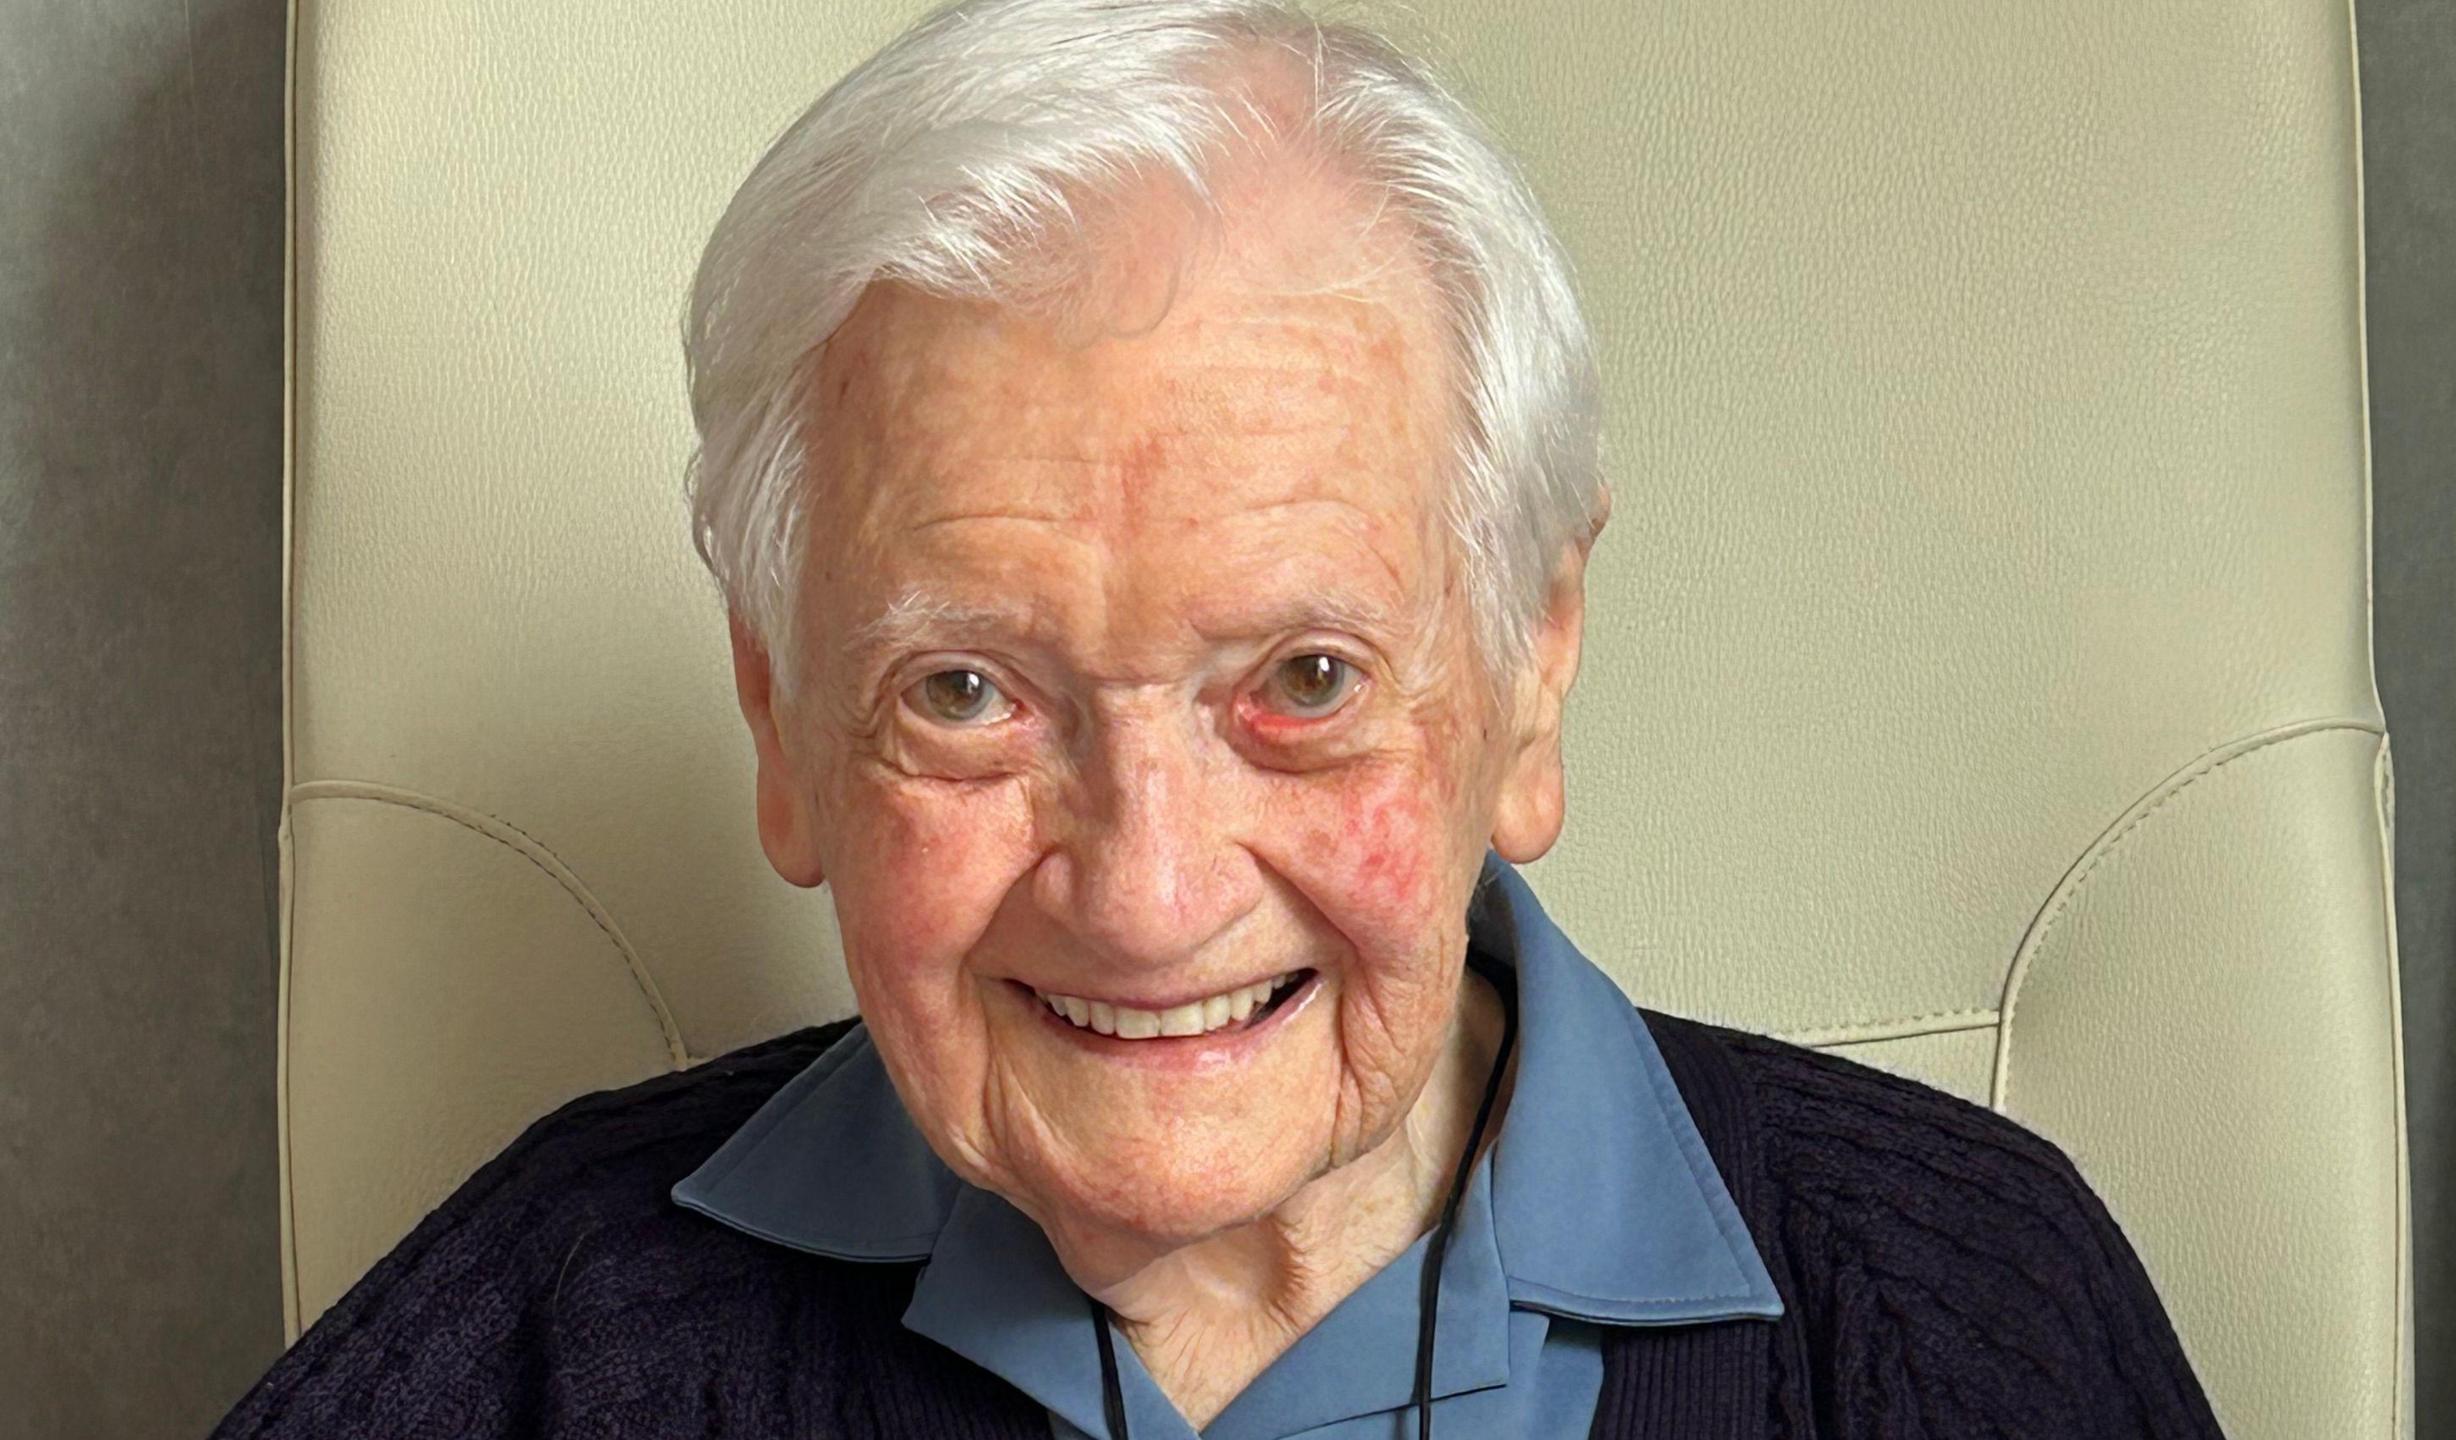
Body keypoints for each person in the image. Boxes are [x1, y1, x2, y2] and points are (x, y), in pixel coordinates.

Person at [211, 1, 2229, 1435]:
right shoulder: (544, 1338)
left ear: (1528, 663)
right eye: (967, 691)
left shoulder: (1958, 1324)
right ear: (779, 709)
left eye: (1304, 682)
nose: (1148, 895)